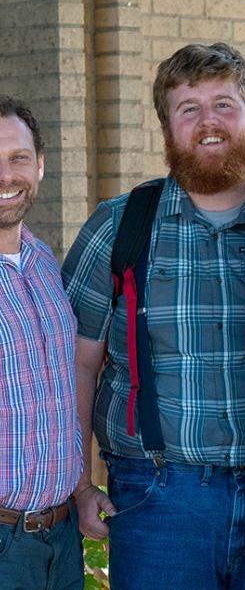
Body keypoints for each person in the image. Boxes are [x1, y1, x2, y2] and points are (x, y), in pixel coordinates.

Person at [61, 43, 245, 590]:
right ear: (166, 127)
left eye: (224, 104)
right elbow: (76, 363)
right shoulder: (119, 226)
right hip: (158, 500)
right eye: (189, 108)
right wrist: (78, 483)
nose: (208, 122)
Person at [0, 96, 83, 589]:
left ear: (41, 166)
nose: (6, 177)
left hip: (61, 538)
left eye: (18, 158)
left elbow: (57, 395)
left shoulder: (45, 263)